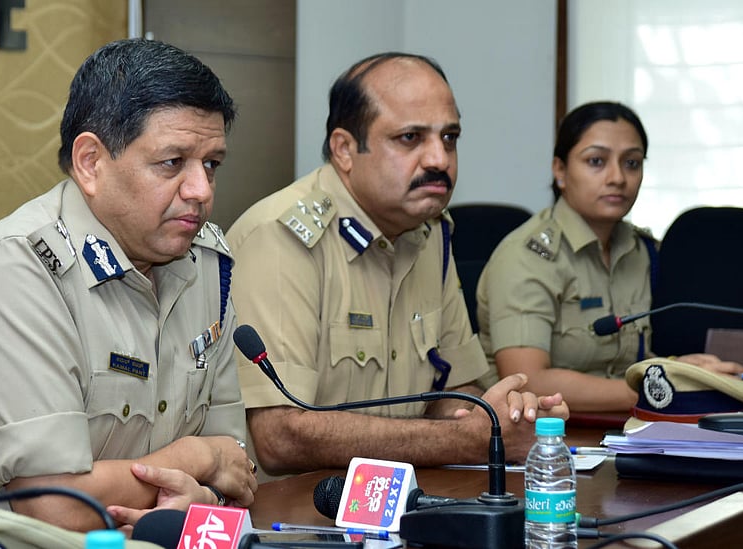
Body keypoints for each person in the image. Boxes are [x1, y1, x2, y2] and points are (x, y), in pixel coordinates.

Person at [0, 38, 257, 545]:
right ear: (90, 162)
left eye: (211, 164)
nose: (201, 190)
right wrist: (195, 459)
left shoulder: (205, 263)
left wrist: (204, 496)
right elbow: (56, 508)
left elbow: (238, 467)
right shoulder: (16, 270)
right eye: (173, 163)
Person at [226, 52, 569, 478]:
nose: (439, 160)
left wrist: (503, 415)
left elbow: (452, 390)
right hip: (292, 516)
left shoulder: (429, 232)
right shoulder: (281, 238)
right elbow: (280, 436)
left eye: (450, 138)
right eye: (410, 138)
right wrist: (466, 440)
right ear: (345, 149)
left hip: (400, 501)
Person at [475, 101, 743, 413]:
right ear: (560, 171)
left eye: (631, 163)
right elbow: (527, 380)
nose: (617, 177)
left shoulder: (641, 250)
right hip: (537, 436)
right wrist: (659, 387)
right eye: (596, 161)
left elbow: (622, 363)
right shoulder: (527, 257)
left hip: (621, 428)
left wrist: (676, 369)